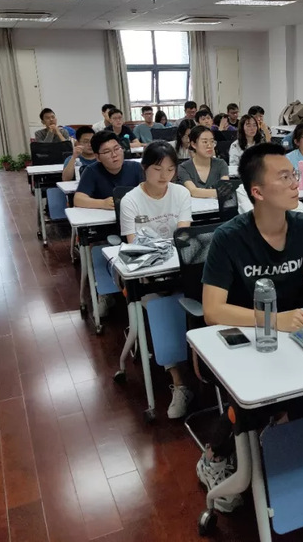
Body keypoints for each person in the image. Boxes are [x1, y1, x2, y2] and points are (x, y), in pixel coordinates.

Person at [198, 144, 303, 511]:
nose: (296, 183)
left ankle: (291, 453)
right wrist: (271, 319)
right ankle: (215, 457)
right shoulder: (230, 237)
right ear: (258, 192)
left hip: (292, 332)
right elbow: (212, 311)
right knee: (255, 398)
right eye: (284, 177)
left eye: (294, 175)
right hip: (241, 336)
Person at [119, 142, 194, 419]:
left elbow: (183, 236)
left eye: (171, 169)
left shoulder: (181, 193)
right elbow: (134, 246)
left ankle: (206, 367)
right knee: (161, 307)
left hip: (178, 269)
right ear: (144, 168)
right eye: (157, 169)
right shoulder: (131, 200)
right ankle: (180, 382)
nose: (165, 176)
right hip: (147, 274)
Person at [73, 131, 144, 209]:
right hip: (104, 215)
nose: (114, 155)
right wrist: (103, 203)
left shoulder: (136, 167)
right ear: (97, 157)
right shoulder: (91, 171)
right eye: (107, 152)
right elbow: (78, 199)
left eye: (117, 149)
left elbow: (150, 192)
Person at [178, 126, 229, 198]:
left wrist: (222, 192)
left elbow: (225, 189)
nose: (209, 146)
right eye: (205, 142)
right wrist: (218, 192)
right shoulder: (184, 168)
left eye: (212, 141)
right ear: (193, 144)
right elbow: (193, 191)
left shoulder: (221, 164)